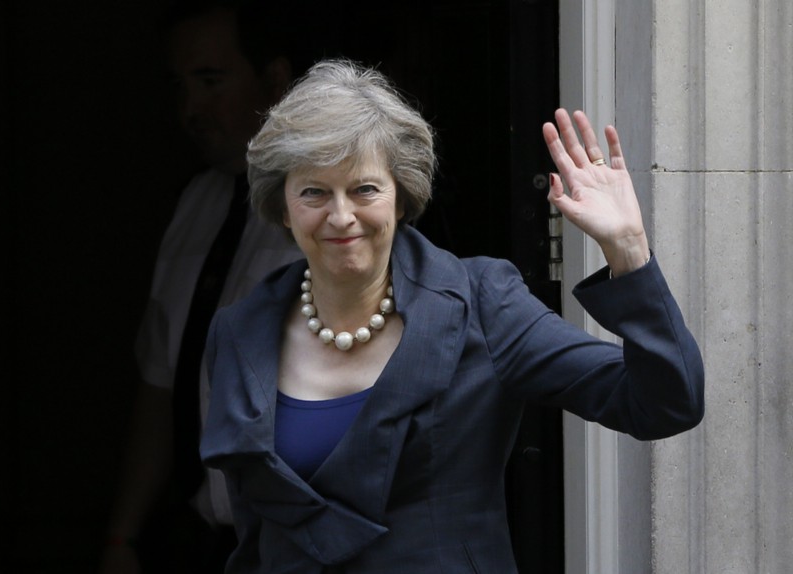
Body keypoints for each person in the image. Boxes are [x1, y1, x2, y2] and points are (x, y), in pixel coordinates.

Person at [200, 60, 705, 573]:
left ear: (401, 198)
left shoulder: (484, 303)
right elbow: (255, 532)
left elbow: (664, 404)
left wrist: (628, 250)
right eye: (313, 192)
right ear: (283, 207)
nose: (341, 215)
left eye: (364, 189)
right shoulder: (240, 332)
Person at [99, 2, 307, 573]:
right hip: (201, 545)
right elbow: (161, 382)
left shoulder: (333, 210)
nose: (190, 109)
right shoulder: (198, 203)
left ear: (273, 80)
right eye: (180, 85)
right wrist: (123, 539)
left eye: (211, 81)